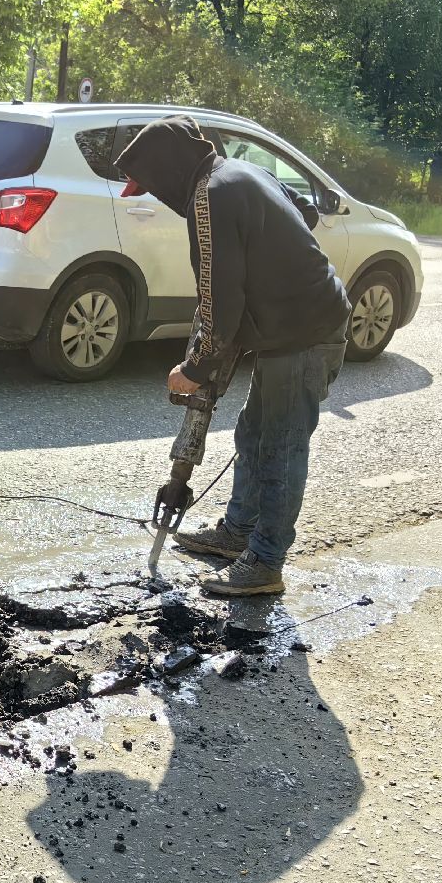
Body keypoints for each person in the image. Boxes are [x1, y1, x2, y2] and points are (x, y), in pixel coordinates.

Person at [115, 116, 351, 597]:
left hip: (304, 333)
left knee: (280, 448)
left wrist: (195, 368)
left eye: (152, 185)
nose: (156, 196)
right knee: (255, 432)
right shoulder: (241, 173)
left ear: (166, 170)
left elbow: (219, 302)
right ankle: (238, 533)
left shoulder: (209, 196)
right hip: (296, 325)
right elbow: (302, 215)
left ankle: (265, 562)